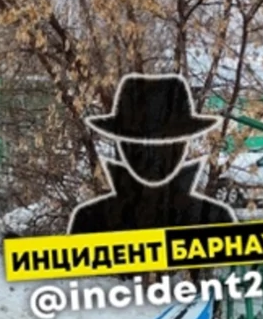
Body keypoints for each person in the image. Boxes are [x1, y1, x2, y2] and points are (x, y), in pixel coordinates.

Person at [68, 73, 237, 235]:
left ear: (184, 144)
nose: (152, 158)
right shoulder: (90, 221)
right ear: (122, 147)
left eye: (166, 145)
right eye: (138, 146)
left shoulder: (215, 219)